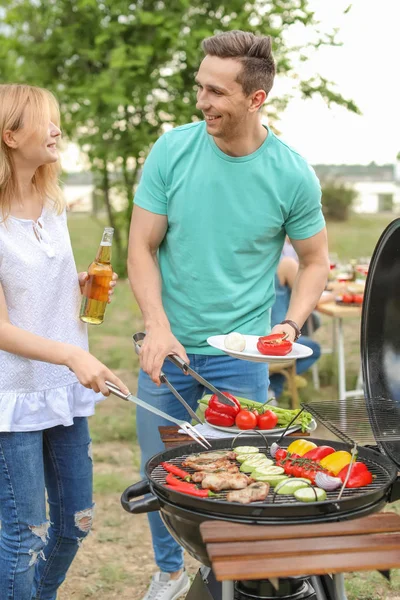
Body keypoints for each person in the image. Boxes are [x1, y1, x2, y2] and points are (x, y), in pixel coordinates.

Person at [128, 30, 330, 600]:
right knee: (163, 479)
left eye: (216, 92)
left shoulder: (290, 172)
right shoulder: (173, 150)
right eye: (200, 87)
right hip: (165, 350)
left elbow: (315, 262)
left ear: (255, 99)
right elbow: (142, 246)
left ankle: (232, 577)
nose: (202, 102)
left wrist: (288, 324)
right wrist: (158, 325)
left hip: (240, 361)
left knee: (243, 482)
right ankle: (170, 573)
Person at [0, 83, 128, 600]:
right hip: (13, 397)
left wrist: (75, 281)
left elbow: (31, 286)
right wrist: (76, 354)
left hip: (63, 388)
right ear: (10, 135)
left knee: (75, 523)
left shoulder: (52, 204)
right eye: (45, 121)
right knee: (23, 537)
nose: (58, 129)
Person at [269, 256, 322, 399]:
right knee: (314, 349)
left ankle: (273, 386)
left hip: (254, 338)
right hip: (277, 339)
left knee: (315, 321)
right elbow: (311, 298)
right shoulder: (286, 264)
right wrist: (337, 294)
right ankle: (275, 386)